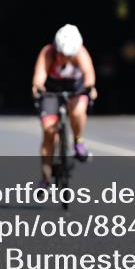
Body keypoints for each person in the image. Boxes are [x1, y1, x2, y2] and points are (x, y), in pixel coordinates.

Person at [31, 24, 98, 183]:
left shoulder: (80, 53)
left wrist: (90, 88)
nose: (64, 59)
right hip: (52, 91)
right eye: (61, 54)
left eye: (69, 56)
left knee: (77, 112)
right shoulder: (47, 52)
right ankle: (45, 176)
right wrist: (37, 87)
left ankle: (78, 142)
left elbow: (89, 74)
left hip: (75, 89)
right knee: (49, 131)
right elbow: (39, 75)